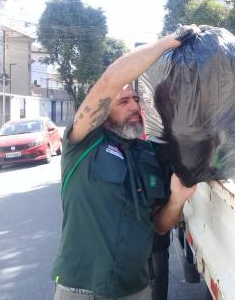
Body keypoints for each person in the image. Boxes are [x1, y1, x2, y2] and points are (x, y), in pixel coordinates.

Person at [52, 25, 199, 300]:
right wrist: (168, 43)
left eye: (136, 99)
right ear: (105, 111)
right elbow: (110, 81)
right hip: (79, 288)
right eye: (123, 102)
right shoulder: (83, 143)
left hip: (135, 289)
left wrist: (177, 200)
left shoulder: (148, 155)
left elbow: (159, 225)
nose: (134, 106)